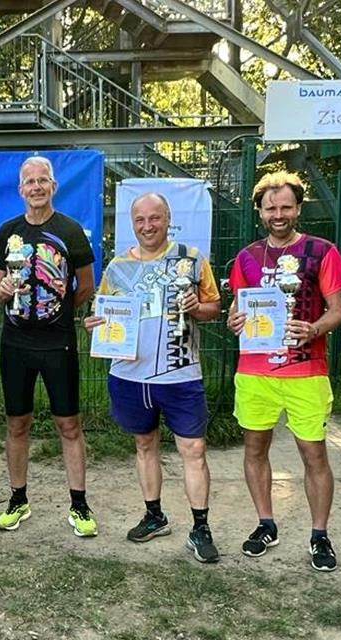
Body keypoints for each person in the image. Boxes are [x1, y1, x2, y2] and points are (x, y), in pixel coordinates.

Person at [84, 193, 222, 561]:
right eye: (140, 219)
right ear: (133, 223)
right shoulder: (116, 268)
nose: (148, 226)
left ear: (168, 218)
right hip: (130, 375)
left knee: (193, 449)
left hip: (179, 373)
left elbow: (214, 308)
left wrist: (199, 307)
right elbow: (105, 313)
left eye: (155, 218)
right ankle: (154, 514)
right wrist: (95, 325)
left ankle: (200, 526)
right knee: (144, 445)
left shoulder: (191, 260)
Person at [226, 170, 341, 571]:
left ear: (298, 208)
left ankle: (320, 534)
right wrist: (234, 321)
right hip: (255, 369)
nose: (278, 214)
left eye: (285, 206)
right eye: (270, 208)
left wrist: (313, 328)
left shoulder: (322, 251)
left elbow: (338, 310)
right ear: (260, 212)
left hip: (306, 369)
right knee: (254, 449)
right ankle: (266, 523)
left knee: (313, 453)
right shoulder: (247, 257)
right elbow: (237, 307)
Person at [0, 156, 97, 538]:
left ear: (54, 186)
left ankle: (79, 504)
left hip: (58, 342)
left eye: (42, 181)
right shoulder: (8, 232)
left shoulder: (70, 231)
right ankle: (18, 498)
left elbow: (86, 284)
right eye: (29, 181)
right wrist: (2, 291)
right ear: (20, 189)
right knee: (17, 423)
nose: (36, 187)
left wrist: (61, 311)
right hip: (16, 343)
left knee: (69, 424)